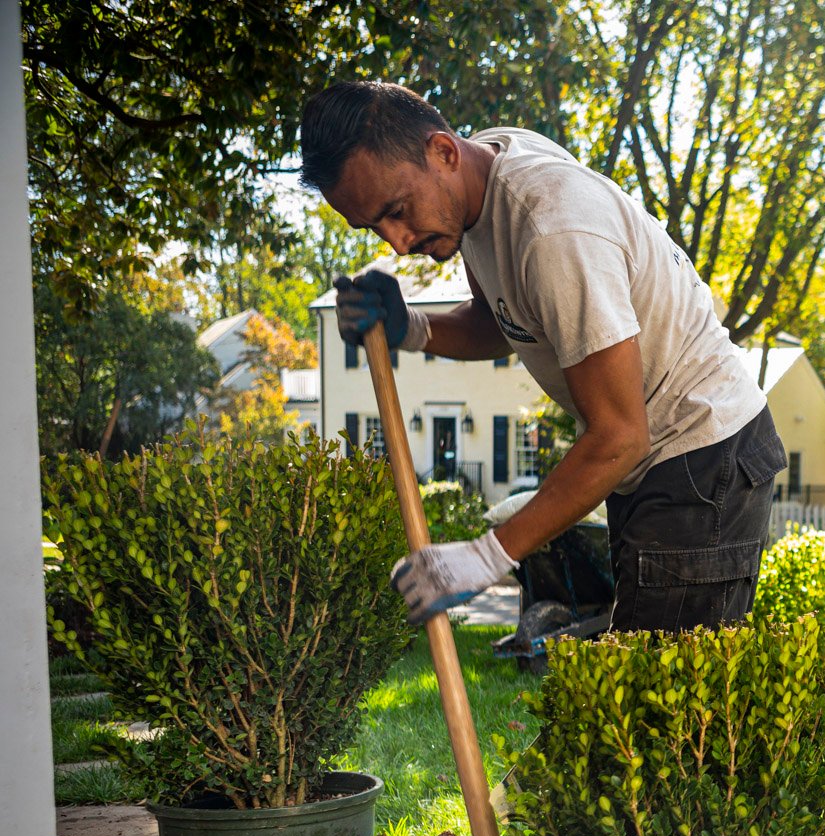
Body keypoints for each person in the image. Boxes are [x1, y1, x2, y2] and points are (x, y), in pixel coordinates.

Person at [298, 81, 785, 633]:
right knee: (644, 685)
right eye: (374, 227)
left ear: (443, 152)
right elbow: (504, 320)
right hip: (656, 456)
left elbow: (620, 436)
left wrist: (485, 557)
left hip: (701, 448)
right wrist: (411, 326)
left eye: (398, 210)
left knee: (661, 698)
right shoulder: (483, 184)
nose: (397, 243)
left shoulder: (553, 225)